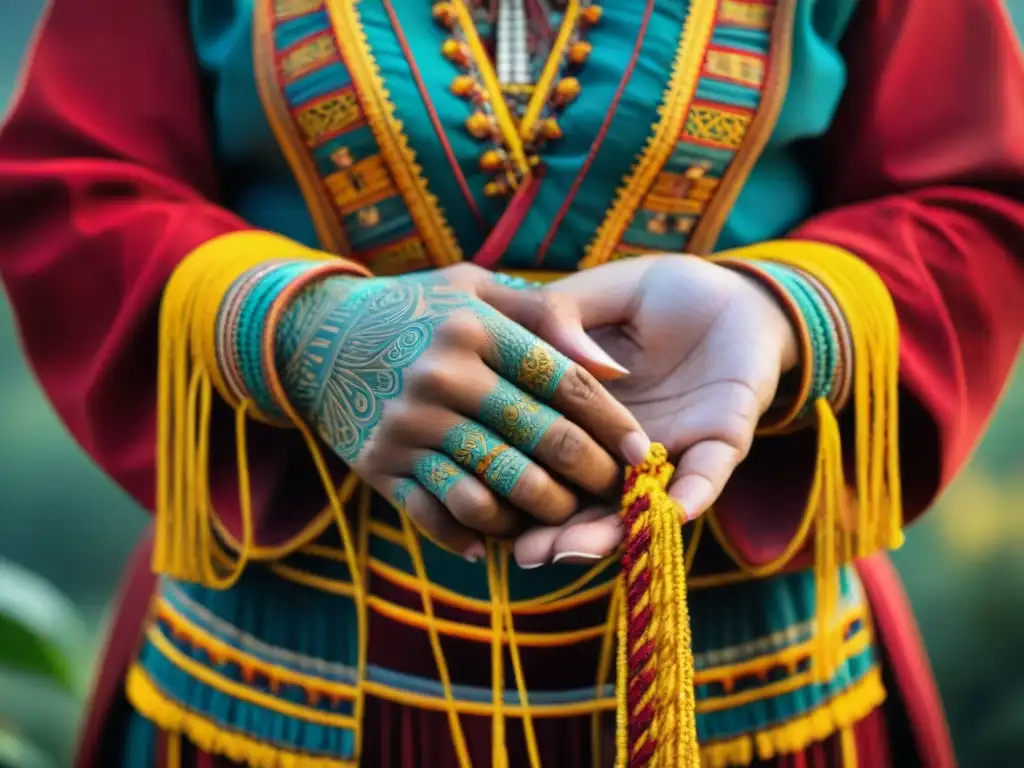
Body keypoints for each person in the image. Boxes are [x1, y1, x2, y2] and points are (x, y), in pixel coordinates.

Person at [1, 0, 1022, 765]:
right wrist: (303, 328)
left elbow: (974, 196)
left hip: (743, 685)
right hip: (280, 681)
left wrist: (782, 315)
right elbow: (75, 188)